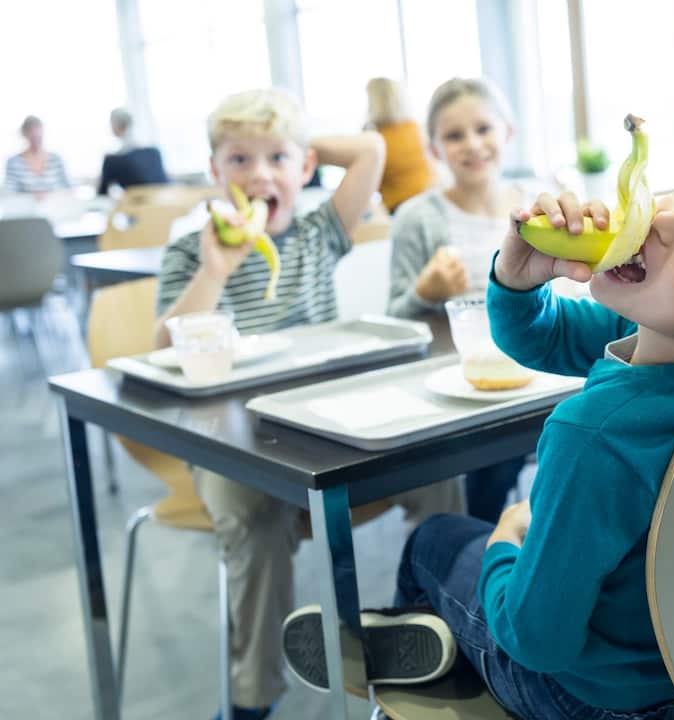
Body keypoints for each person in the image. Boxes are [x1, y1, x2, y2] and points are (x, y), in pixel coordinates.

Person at [279, 127, 674, 718]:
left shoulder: (598, 433)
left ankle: (437, 660)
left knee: (438, 540)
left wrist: (508, 538)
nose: (668, 216)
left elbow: (539, 640)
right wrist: (520, 275)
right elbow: (545, 334)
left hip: (587, 698)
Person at [154, 88, 463, 720]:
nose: (259, 173)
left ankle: (429, 630)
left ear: (305, 169)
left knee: (437, 470)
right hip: (229, 437)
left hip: (325, 424)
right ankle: (251, 697)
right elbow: (163, 346)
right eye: (239, 160)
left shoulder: (320, 230)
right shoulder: (190, 250)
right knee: (250, 512)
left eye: (278, 160)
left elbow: (374, 148)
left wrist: (294, 137)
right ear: (215, 172)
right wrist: (215, 268)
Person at [386, 77, 529, 523]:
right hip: (455, 385)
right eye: (454, 135)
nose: (472, 144)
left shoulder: (536, 208)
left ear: (508, 132)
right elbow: (393, 320)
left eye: (483, 129)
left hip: (532, 372)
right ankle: (478, 548)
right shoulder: (418, 218)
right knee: (496, 448)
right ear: (434, 149)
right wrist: (423, 294)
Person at [366, 76, 433, 213]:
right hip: (429, 200)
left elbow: (368, 185)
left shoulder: (375, 139)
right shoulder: (415, 128)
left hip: (399, 208)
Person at [97, 107, 168, 195]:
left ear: (115, 125)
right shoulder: (154, 152)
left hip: (139, 206)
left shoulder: (111, 161)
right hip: (168, 202)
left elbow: (101, 194)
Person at [4, 115, 70, 194]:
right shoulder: (13, 162)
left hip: (55, 205)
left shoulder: (56, 159)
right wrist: (32, 196)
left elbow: (68, 188)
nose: (36, 139)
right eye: (33, 136)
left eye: (39, 136)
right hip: (24, 205)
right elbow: (9, 193)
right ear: (25, 135)